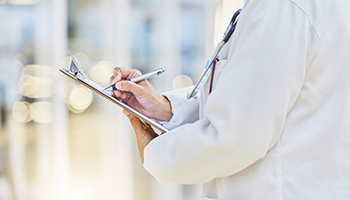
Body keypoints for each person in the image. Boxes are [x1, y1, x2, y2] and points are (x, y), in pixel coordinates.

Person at [110, 0, 350, 199]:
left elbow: (236, 136)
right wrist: (168, 109)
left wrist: (155, 154)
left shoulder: (281, 7)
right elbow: (257, 98)